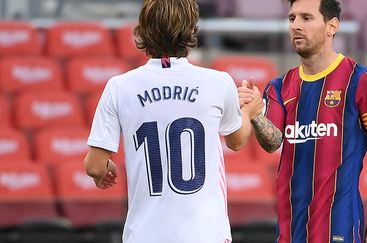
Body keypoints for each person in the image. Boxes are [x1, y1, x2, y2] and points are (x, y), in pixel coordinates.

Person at [83, 0, 263, 242]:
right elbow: (237, 140)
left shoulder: (119, 86)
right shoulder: (218, 81)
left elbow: (94, 166)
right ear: (191, 31)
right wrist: (249, 111)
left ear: (143, 31)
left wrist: (103, 171)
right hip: (205, 233)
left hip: (145, 235)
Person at [238, 0, 367, 242]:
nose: (296, 26)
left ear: (331, 26)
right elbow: (272, 143)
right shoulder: (280, 87)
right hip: (290, 229)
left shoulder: (362, 79)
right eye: (292, 19)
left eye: (306, 18)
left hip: (339, 225)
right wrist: (255, 115)